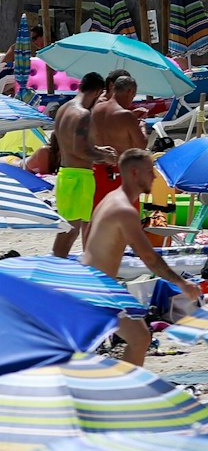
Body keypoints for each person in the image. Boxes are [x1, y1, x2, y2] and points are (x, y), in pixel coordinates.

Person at [86, 148, 191, 366]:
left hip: (94, 282)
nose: (154, 177)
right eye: (149, 171)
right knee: (139, 338)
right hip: (95, 287)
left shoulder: (111, 199)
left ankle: (121, 389)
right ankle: (124, 392)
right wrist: (182, 283)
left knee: (138, 337)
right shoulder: (123, 209)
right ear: (134, 173)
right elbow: (149, 258)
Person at [47, 72, 107, 256]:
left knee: (68, 228)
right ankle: (55, 267)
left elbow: (67, 144)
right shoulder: (83, 114)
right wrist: (105, 156)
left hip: (65, 174)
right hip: (79, 176)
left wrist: (98, 149)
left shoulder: (64, 109)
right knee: (71, 230)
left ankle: (56, 264)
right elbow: (81, 151)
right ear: (97, 92)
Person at [90, 68, 148, 213]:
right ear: (130, 92)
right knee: (126, 219)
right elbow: (141, 145)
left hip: (98, 170)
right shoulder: (126, 116)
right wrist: (141, 124)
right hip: (121, 172)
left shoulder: (96, 109)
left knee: (98, 217)